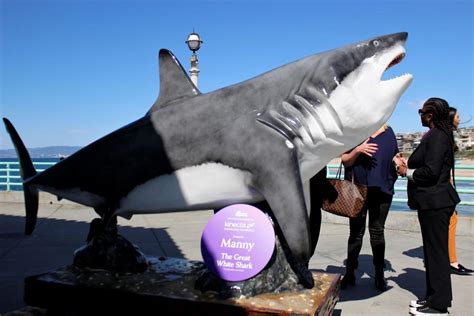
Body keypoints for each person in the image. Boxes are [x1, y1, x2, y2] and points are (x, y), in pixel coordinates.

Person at [395, 97, 460, 315]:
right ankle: (432, 298)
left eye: (421, 112)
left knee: (437, 255)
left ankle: (439, 305)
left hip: (436, 202)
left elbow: (431, 172)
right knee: (432, 254)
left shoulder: (438, 137)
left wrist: (407, 172)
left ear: (430, 115)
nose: (420, 115)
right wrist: (408, 165)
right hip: (433, 202)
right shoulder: (436, 136)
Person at [339, 123, 399, 292]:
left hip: (382, 189)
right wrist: (358, 150)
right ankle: (349, 273)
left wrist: (398, 161)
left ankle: (379, 275)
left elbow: (395, 155)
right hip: (358, 189)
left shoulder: (389, 132)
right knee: (356, 233)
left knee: (377, 232)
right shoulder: (355, 130)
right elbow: (344, 160)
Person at [447, 107, 473, 275]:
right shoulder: (445, 136)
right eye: (457, 116)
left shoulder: (443, 135)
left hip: (446, 184)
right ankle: (452, 261)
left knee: (450, 220)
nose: (459, 118)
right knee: (451, 220)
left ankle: (450, 259)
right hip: (445, 185)